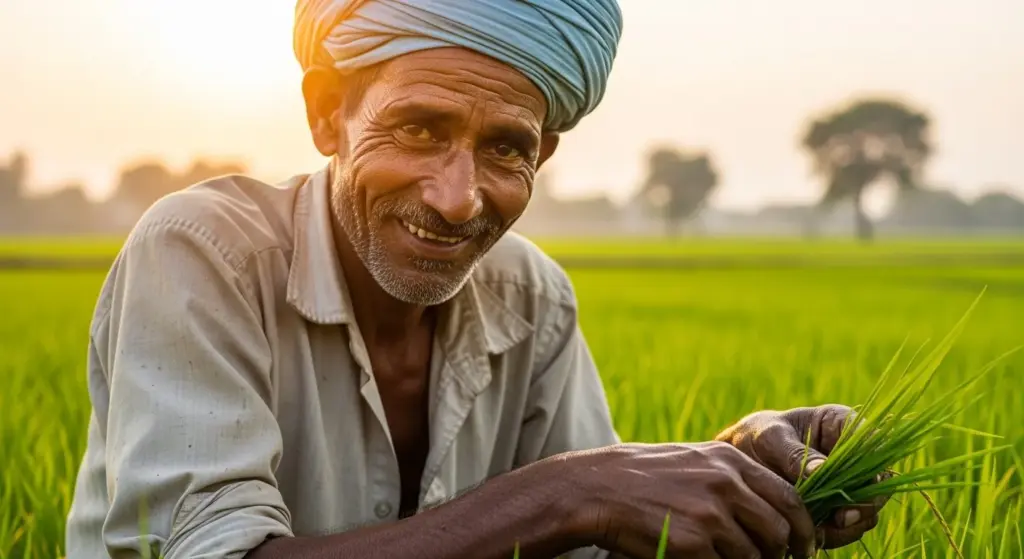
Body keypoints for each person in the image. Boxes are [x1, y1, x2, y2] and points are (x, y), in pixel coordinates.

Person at [64, 1, 888, 557]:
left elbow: (597, 532)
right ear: (327, 113)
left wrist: (728, 466)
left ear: (544, 155)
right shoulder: (203, 252)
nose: (458, 199)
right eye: (419, 128)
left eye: (505, 147)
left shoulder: (533, 297)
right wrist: (569, 491)